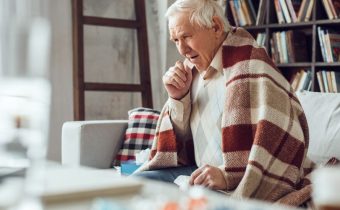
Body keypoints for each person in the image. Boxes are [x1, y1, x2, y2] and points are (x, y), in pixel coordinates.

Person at [135, 0, 313, 207]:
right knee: (138, 185)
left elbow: (283, 142)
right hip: (199, 173)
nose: (182, 49)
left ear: (216, 27)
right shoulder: (189, 71)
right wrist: (178, 98)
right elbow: (180, 146)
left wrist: (227, 175)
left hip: (240, 180)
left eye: (186, 36)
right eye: (175, 40)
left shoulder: (253, 67)